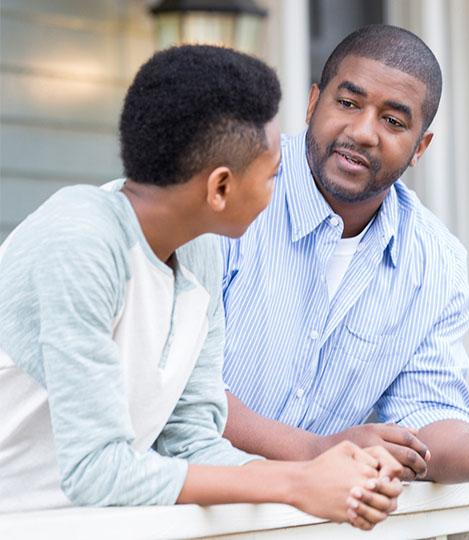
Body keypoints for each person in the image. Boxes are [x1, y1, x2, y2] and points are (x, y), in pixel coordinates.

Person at [0, 44, 402, 530]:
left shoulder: (196, 251)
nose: (279, 193)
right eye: (273, 176)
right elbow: (96, 470)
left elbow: (190, 438)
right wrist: (293, 484)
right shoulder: (80, 239)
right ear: (219, 188)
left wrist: (322, 477)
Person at [220, 24, 469, 483]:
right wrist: (315, 451)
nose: (364, 132)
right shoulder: (230, 191)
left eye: (393, 121)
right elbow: (182, 386)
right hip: (167, 511)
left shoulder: (435, 263)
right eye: (347, 103)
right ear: (313, 102)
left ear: (420, 148)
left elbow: (426, 414)